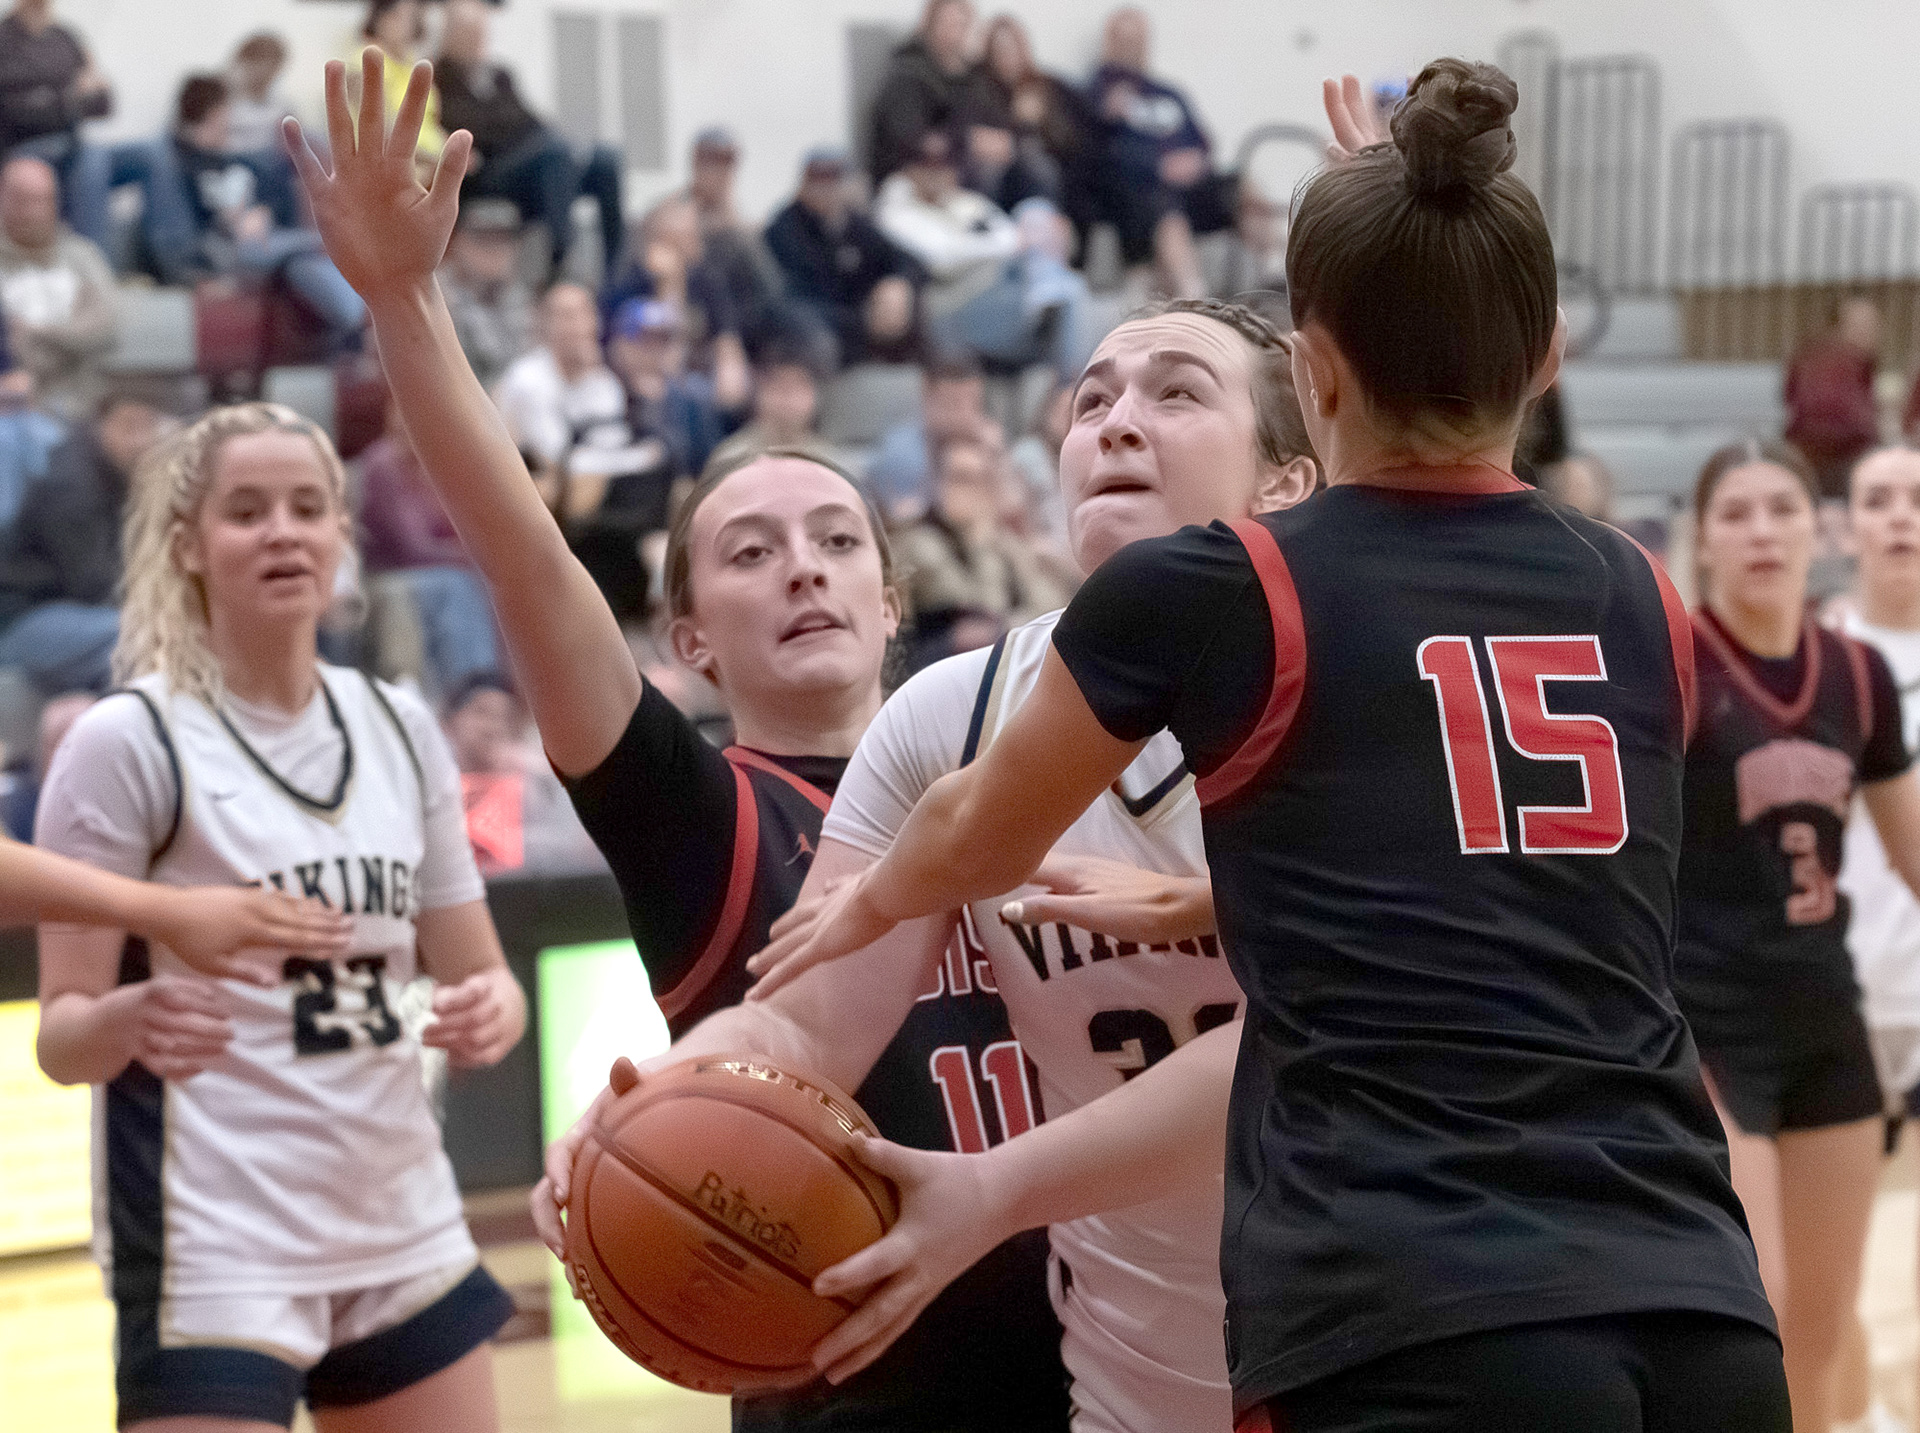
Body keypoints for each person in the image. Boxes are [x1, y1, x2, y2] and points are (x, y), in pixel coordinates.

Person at [749, 60, 1793, 1433]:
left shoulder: (1231, 586)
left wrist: (879, 894)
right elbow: (1494, 878)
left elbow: (980, 834)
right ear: (1548, 361)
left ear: (1313, 370)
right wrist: (1211, 901)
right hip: (1694, 1298)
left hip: (1420, 1303)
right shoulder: (1640, 593)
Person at [286, 51, 1072, 1433]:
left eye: (838, 541)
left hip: (1106, 1368)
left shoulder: (1026, 771)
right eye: (751, 551)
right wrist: (406, 299)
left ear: (893, 597)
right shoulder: (700, 814)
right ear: (692, 637)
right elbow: (528, 561)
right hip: (853, 1394)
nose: (804, 567)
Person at [542, 296, 1320, 1433]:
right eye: (1090, 400)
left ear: (1288, 483)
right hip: (1136, 1390)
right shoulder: (947, 718)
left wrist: (998, 1188)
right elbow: (808, 1020)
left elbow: (1305, 1044)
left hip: (1377, 1344)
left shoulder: (1364, 700)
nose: (1115, 421)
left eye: (1177, 392)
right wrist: (655, 1099)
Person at [34, 399, 525, 1430]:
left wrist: (491, 1009)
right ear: (189, 545)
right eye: (247, 511)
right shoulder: (126, 742)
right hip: (216, 1241)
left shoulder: (401, 725)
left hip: (401, 1217)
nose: (283, 532)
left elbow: (484, 974)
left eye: (308, 507)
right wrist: (121, 1021)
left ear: (343, 532)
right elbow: (63, 1037)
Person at [1678, 438, 1920, 1433]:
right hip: (1707, 1030)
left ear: (1818, 529)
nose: (1762, 532)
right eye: (1736, 513)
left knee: (1821, 1327)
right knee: (1762, 1312)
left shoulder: (1858, 674)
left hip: (1826, 1016)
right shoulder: (1675, 665)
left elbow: (1912, 852)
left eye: (1781, 508)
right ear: (1703, 538)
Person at [1834, 443, 1920, 1433]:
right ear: (1846, 524)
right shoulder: (1820, 655)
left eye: (1914, 499)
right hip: (1844, 992)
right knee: (1837, 1264)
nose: (1900, 516)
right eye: (1879, 499)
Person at [874, 129, 1092, 383]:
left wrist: (1020, 241)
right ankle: (1066, 382)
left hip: (1001, 286)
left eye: (944, 163)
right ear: (909, 168)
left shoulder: (963, 202)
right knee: (1068, 297)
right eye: (927, 163)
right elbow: (945, 257)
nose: (936, 172)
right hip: (951, 302)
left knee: (1035, 212)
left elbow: (1010, 232)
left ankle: (1049, 300)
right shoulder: (897, 209)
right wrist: (1011, 244)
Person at [167, 75, 366, 350]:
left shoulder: (234, 160)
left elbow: (273, 197)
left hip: (271, 243)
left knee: (303, 265)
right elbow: (192, 228)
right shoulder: (180, 164)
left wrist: (261, 212)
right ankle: (339, 251)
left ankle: (354, 323)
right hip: (233, 248)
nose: (232, 120)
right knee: (316, 249)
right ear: (213, 113)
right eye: (227, 111)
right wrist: (232, 220)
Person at [0, 382, 173, 693]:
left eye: (147, 427)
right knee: (139, 636)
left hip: (72, 613)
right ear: (100, 425)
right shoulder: (70, 485)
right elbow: (93, 584)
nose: (139, 441)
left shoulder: (115, 472)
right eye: (128, 427)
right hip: (25, 620)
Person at [435, 0, 623, 282]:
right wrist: (510, 127)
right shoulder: (439, 77)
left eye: (481, 32)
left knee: (606, 160)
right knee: (555, 155)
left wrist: (517, 129)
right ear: (450, 34)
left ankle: (613, 273)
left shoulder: (500, 75)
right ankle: (561, 263)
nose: (477, 40)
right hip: (489, 174)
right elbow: (473, 129)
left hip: (536, 166)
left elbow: (531, 121)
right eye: (469, 32)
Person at [1084, 7, 1235, 298]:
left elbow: (1204, 141)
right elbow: (1096, 154)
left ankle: (1282, 272)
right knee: (1168, 212)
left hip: (1190, 185)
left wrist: (1195, 162)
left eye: (1137, 40)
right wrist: (1157, 167)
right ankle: (1194, 297)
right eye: (1124, 40)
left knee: (1242, 186)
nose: (1131, 48)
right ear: (1110, 42)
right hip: (1140, 193)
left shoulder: (1168, 92)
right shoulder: (1097, 92)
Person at [892, 433, 1071, 669]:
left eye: (980, 480)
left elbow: (1052, 612)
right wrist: (980, 542)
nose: (970, 492)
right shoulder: (920, 543)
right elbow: (980, 618)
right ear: (937, 483)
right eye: (960, 478)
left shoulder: (1003, 540)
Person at [357, 413, 501, 698]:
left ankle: (491, 691)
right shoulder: (383, 464)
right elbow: (413, 549)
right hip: (387, 576)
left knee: (487, 583)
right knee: (457, 585)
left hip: (431, 573)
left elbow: (461, 529)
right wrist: (470, 557)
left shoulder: (437, 463)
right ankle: (474, 690)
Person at [764, 147, 919, 370]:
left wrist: (897, 283)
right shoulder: (784, 229)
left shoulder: (855, 225)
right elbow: (794, 295)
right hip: (815, 322)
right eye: (817, 177)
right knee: (814, 335)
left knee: (910, 301)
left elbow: (904, 258)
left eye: (833, 177)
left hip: (861, 320)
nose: (824, 186)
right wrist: (862, 317)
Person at [443, 670, 603, 877]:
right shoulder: (437, 783)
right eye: (481, 713)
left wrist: (544, 778)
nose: (492, 727)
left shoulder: (535, 780)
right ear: (450, 721)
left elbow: (577, 849)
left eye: (504, 718)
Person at [0, 154, 115, 420]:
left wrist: (35, 333)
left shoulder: (82, 256)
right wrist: (69, 340)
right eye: (24, 200)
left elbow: (104, 328)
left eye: (43, 199)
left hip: (81, 406)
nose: (35, 211)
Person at [491, 281, 626, 482]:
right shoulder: (527, 379)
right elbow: (552, 457)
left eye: (585, 313)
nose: (579, 326)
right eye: (567, 317)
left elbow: (612, 445)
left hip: (590, 487)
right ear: (546, 325)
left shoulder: (603, 381)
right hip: (524, 483)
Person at [967, 15, 1098, 220]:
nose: (1007, 57)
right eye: (999, 50)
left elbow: (1067, 141)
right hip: (995, 165)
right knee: (991, 168)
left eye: (1012, 49)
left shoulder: (1045, 86)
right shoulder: (978, 85)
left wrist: (1034, 121)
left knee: (1036, 161)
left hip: (1043, 166)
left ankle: (1044, 223)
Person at [867, 356, 998, 521]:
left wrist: (997, 459)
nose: (965, 414)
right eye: (954, 403)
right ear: (927, 396)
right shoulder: (901, 452)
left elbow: (1011, 515)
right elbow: (904, 518)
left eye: (973, 403)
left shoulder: (987, 443)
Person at [1786, 299, 1882, 500]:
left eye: (1873, 326)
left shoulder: (1855, 361)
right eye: (1860, 325)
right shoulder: (1834, 362)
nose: (1869, 332)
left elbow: (1788, 395)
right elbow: (1842, 418)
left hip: (1810, 455)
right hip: (1833, 459)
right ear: (1840, 326)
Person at [439, 198, 535, 390]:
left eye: (503, 240)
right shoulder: (438, 293)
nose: (494, 251)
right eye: (483, 240)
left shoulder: (520, 296)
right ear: (458, 242)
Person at [706, 349, 823, 471]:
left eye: (797, 388)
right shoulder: (730, 459)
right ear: (760, 391)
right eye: (779, 387)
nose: (788, 399)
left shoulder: (828, 462)